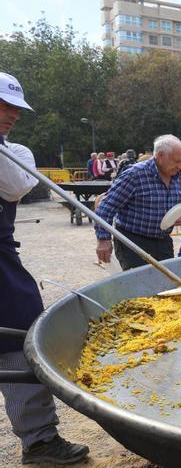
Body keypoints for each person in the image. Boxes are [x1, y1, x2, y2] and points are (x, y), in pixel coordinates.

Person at [0, 72, 90, 464]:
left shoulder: (17, 154)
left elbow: (13, 186)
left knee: (21, 338)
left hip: (1, 267)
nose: (12, 115)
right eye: (4, 106)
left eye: (15, 109)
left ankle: (38, 440)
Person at [95, 135, 181, 270]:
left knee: (166, 285)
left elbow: (175, 203)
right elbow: (106, 207)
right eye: (176, 161)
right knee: (140, 286)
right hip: (133, 243)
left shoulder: (176, 176)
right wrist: (103, 239)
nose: (180, 166)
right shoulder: (135, 174)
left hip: (163, 242)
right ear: (160, 156)